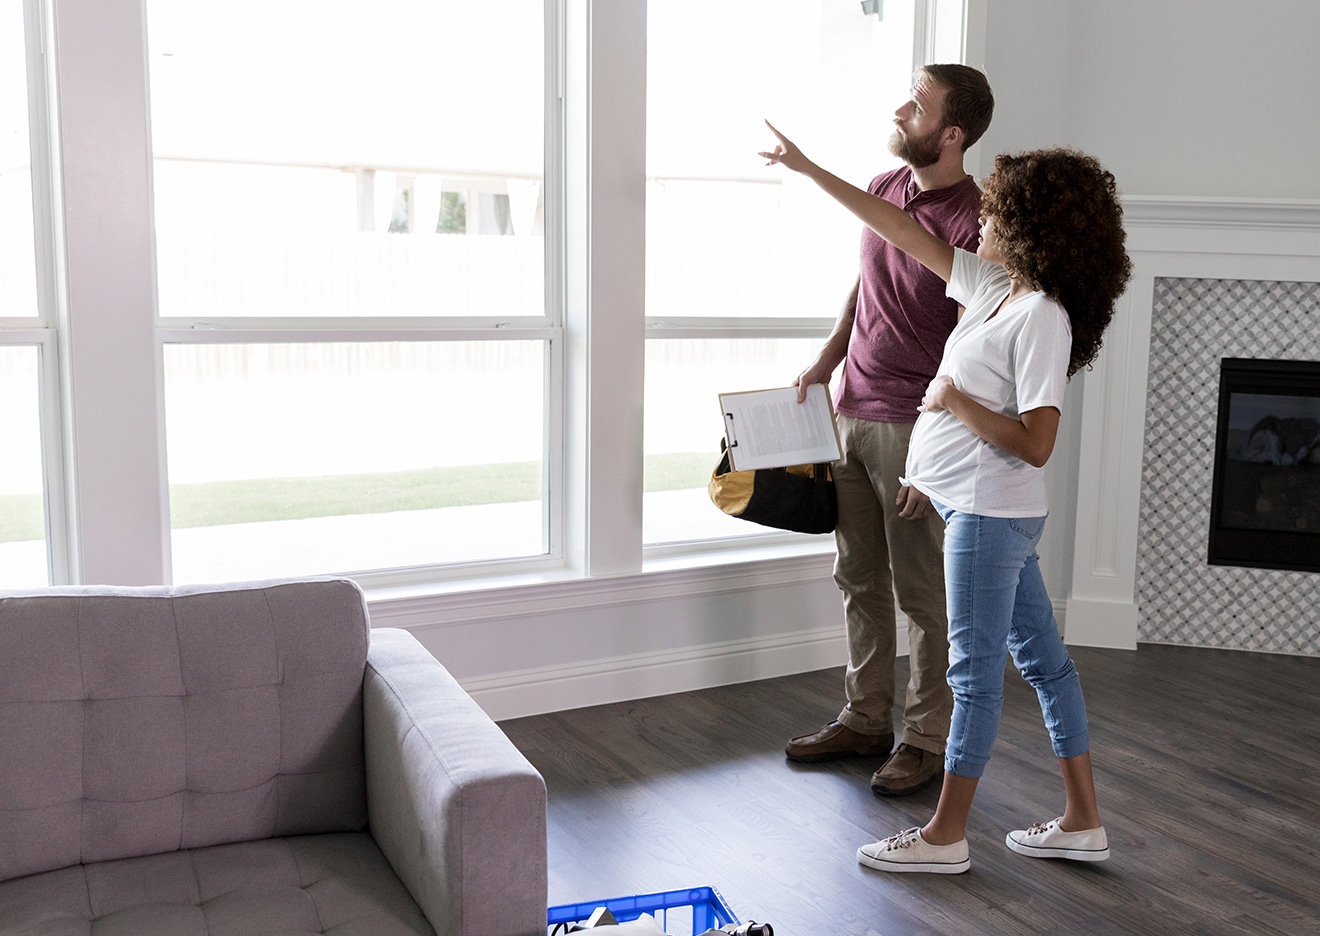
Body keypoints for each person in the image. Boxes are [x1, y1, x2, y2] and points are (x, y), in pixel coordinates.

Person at [760, 125, 1132, 873]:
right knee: (1046, 664)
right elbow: (894, 225)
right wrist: (808, 169)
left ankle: (944, 837)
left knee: (973, 673)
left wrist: (953, 402)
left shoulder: (1042, 318)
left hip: (992, 513)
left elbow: (1034, 442)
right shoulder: (993, 289)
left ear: (1028, 228)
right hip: (974, 504)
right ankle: (1083, 821)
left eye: (996, 213)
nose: (982, 222)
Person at [783, 64, 995, 799]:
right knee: (857, 578)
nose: (901, 109)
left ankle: (926, 738)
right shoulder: (883, 188)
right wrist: (826, 359)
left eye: (918, 103)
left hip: (917, 430)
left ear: (952, 133)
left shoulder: (977, 220)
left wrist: (933, 453)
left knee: (921, 594)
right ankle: (864, 717)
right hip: (852, 410)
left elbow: (970, 347)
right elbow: (863, 287)